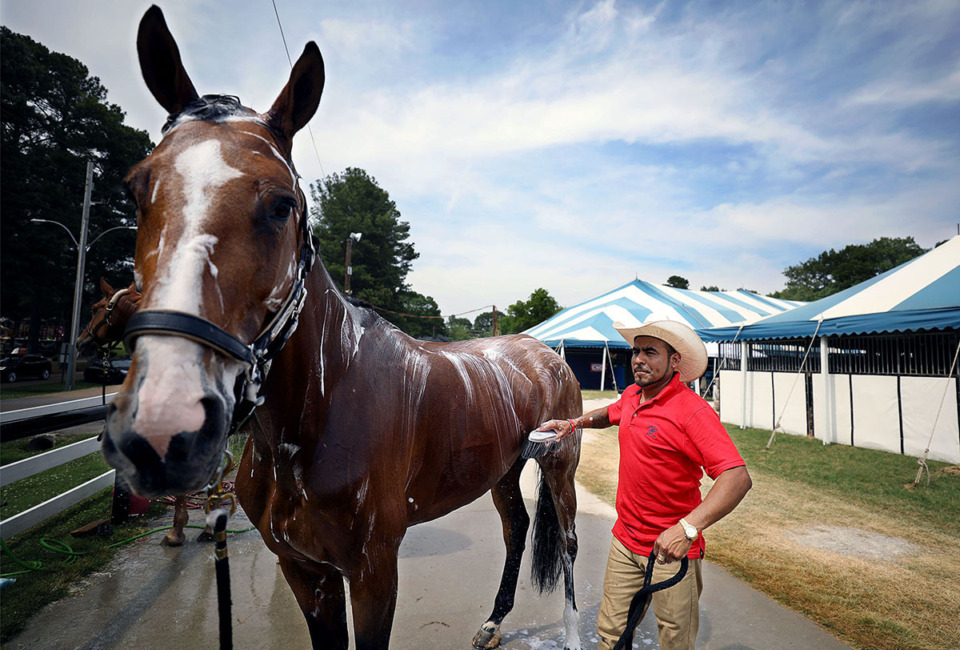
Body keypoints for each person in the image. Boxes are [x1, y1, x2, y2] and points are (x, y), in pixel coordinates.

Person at [537, 319, 752, 650]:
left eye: (650, 352)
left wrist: (688, 529)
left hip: (670, 551)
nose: (638, 359)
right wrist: (573, 423)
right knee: (610, 634)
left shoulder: (692, 411)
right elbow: (611, 413)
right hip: (624, 541)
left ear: (674, 360)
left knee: (674, 640)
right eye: (636, 351)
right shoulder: (634, 394)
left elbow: (737, 477)